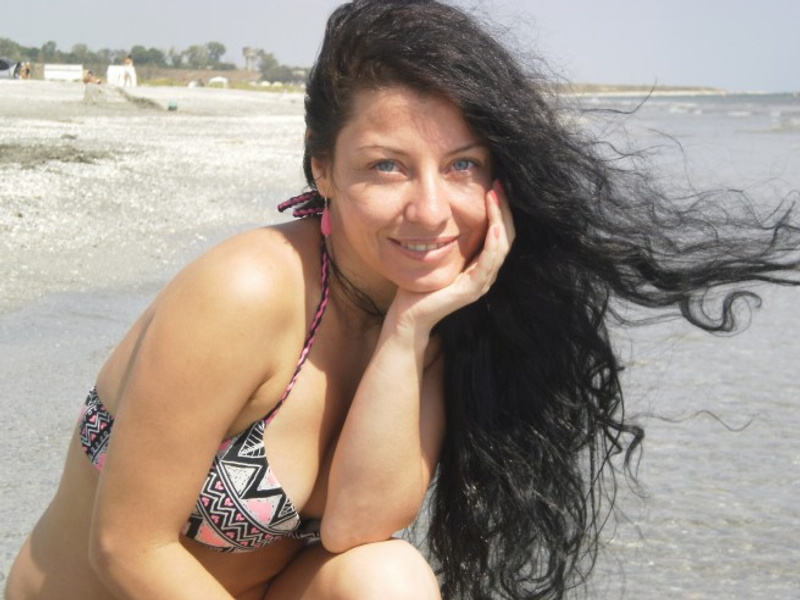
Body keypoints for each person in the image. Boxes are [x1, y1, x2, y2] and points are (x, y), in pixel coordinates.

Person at [5, 1, 799, 599]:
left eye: (462, 166)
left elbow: (356, 527)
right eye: (388, 166)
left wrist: (410, 330)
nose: (431, 210)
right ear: (323, 169)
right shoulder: (249, 288)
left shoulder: (431, 313)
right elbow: (128, 545)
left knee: (388, 579)